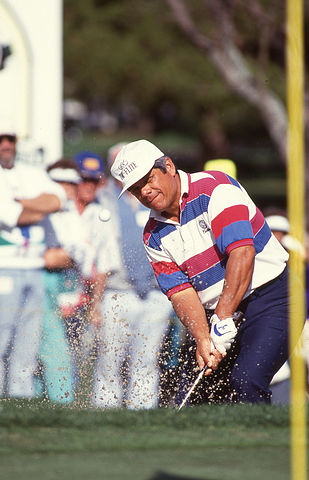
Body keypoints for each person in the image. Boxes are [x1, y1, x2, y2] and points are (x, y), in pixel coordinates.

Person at [110, 139, 292, 404]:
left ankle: (255, 443)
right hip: (216, 314)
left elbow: (242, 253)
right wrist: (203, 337)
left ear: (169, 166)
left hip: (271, 298)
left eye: (148, 180)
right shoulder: (152, 235)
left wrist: (222, 317)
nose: (145, 192)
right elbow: (181, 293)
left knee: (246, 380)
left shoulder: (216, 187)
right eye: (136, 190)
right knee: (195, 396)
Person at [92, 143, 172, 410]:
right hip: (118, 291)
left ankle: (143, 411)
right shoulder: (103, 198)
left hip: (155, 292)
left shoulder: (156, 195)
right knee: (109, 359)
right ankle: (106, 411)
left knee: (147, 358)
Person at [0, 121, 66, 398]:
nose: (6, 146)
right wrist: (36, 205)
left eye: (10, 140)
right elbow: (13, 216)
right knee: (2, 337)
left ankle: (20, 400)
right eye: (1, 140)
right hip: (6, 267)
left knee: (28, 340)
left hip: (33, 267)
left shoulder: (30, 173)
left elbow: (57, 200)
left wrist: (22, 201)